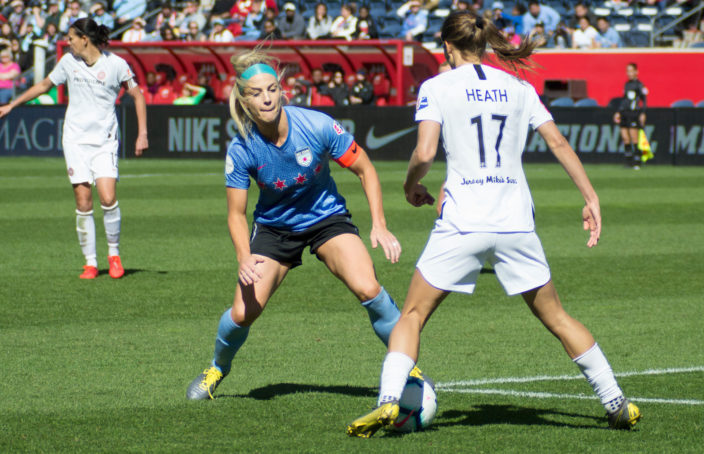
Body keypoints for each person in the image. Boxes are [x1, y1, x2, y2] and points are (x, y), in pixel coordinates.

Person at [346, 11, 641, 438]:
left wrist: (411, 185)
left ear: (447, 47)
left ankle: (389, 401)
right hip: (515, 220)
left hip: (464, 220)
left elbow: (425, 153)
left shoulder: (436, 86)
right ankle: (616, 403)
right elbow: (556, 141)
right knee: (557, 316)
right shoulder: (519, 87)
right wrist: (590, 197)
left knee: (411, 314)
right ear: (485, 46)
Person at [185, 47, 404, 400]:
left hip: (326, 218)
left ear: (282, 90)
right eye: (256, 93)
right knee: (243, 313)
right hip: (274, 228)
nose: (267, 98)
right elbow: (235, 213)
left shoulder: (316, 125)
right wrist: (244, 256)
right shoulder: (242, 148)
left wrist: (379, 223)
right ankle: (217, 367)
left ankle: (407, 370)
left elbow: (365, 168)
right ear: (244, 101)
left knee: (368, 288)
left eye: (271, 89)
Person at [0, 18, 148, 279]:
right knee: (83, 202)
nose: (68, 42)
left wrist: (142, 134)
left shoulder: (116, 64)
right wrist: (12, 105)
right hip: (75, 140)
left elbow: (137, 95)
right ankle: (90, 263)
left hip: (104, 140)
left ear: (85, 39)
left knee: (108, 198)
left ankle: (114, 255)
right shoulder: (68, 62)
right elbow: (43, 85)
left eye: (71, 37)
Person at [614, 63, 647, 169]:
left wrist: (642, 113)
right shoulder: (626, 84)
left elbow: (644, 100)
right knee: (625, 137)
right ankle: (628, 161)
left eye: (631, 71)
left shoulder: (639, 85)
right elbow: (624, 100)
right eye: (628, 71)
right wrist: (618, 112)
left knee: (634, 138)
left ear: (636, 72)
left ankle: (637, 161)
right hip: (624, 113)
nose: (629, 73)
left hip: (634, 113)